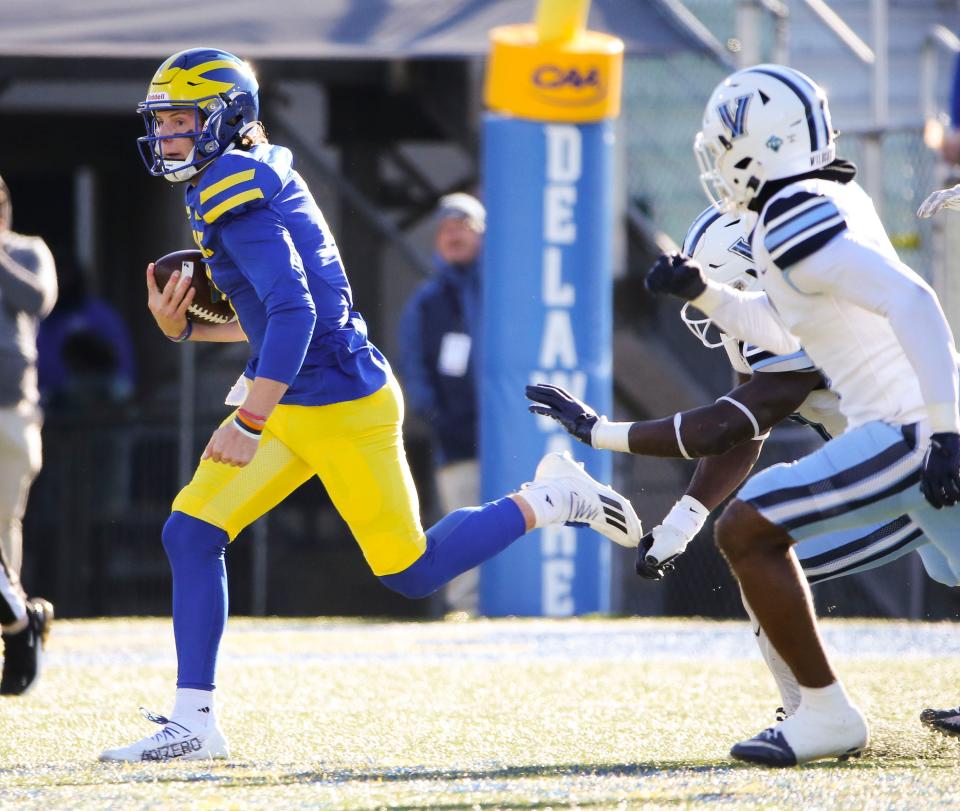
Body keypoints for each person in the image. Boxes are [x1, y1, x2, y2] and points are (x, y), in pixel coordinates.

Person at [99, 48, 642, 762]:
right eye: (162, 121)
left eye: (181, 120)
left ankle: (550, 499)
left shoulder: (233, 182)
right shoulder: (242, 173)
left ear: (227, 118)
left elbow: (293, 313)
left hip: (341, 403)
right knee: (191, 532)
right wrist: (191, 328)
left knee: (410, 571)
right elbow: (281, 313)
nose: (168, 135)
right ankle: (194, 720)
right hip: (299, 393)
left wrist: (248, 417)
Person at [528, 205, 958, 728]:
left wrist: (601, 433)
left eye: (715, 288)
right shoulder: (780, 308)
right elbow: (746, 430)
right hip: (906, 468)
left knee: (764, 550)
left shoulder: (806, 315)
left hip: (919, 469)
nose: (709, 308)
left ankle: (812, 715)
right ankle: (813, 713)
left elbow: (724, 427)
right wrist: (683, 522)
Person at [644, 64, 959, 767]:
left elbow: (913, 303)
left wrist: (944, 429)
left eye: (726, 146)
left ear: (761, 145)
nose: (720, 163)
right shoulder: (827, 198)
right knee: (950, 564)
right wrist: (704, 291)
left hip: (905, 425)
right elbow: (787, 329)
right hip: (920, 418)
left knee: (748, 528)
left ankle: (822, 713)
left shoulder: (791, 216)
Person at [397, 192, 485, 615]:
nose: (453, 234)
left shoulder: (504, 294)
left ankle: (520, 606)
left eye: (463, 225)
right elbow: (413, 363)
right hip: (457, 436)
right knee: (463, 523)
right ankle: (466, 609)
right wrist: (433, 414)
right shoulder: (426, 301)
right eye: (446, 227)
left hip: (512, 433)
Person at [0, 174, 57, 695]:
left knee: (3, 523)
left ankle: (16, 623)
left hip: (10, 409)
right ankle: (19, 624)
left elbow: (37, 299)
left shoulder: (27, 250)